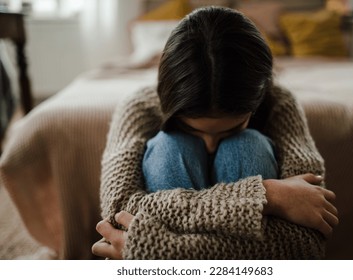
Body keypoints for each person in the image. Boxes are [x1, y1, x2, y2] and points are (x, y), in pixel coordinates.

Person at [92, 6, 338, 260]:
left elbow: (306, 245)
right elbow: (118, 214)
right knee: (168, 146)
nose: (210, 145)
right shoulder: (139, 107)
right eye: (191, 128)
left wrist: (159, 252)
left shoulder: (279, 104)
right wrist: (266, 194)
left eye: (231, 128)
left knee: (248, 144)